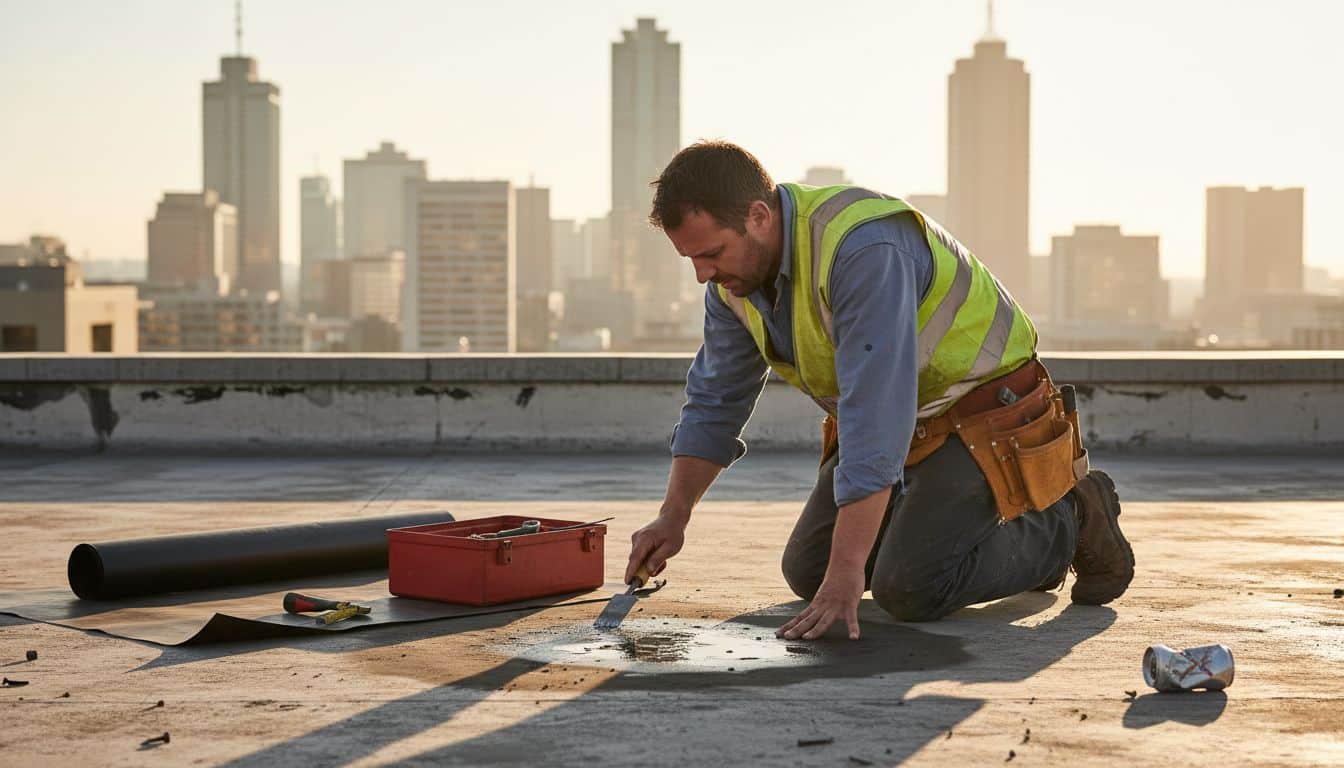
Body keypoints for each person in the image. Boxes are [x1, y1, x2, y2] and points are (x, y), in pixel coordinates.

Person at [624, 140, 1135, 641]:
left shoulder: (863, 250)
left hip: (983, 412)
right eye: (691, 259)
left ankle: (1068, 516)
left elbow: (875, 415)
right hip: (908, 424)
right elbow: (715, 403)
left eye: (712, 253)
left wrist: (848, 572)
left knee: (910, 587)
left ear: (758, 216)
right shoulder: (732, 284)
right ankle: (958, 538)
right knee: (810, 572)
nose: (703, 275)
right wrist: (674, 516)